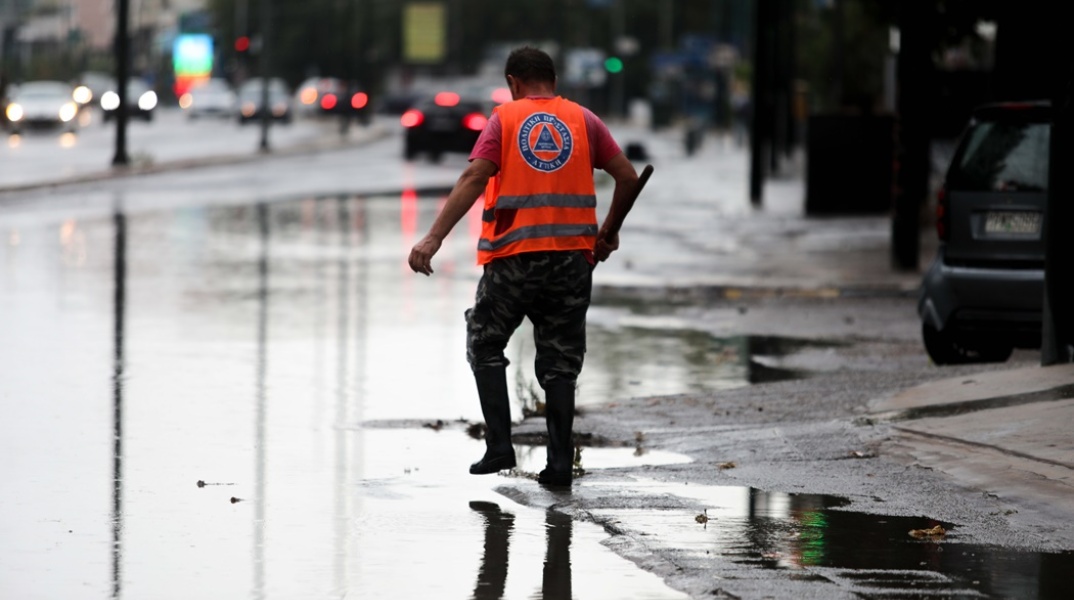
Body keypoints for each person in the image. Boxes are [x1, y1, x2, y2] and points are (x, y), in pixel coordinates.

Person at [407, 46, 639, 487]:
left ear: (513, 81)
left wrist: (433, 237)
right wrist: (607, 231)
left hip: (515, 258)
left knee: (485, 341)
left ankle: (499, 446)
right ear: (553, 80)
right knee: (560, 361)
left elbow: (474, 176)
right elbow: (627, 177)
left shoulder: (506, 119)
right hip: (573, 260)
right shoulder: (584, 121)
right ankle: (557, 466)